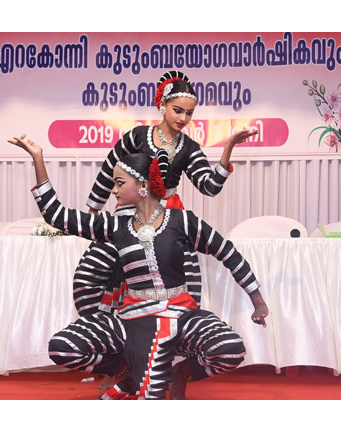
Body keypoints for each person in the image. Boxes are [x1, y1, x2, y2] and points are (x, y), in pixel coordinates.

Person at [7, 133, 269, 399]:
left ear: (143, 185)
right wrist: (38, 159)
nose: (114, 190)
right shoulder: (115, 225)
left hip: (180, 315)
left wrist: (258, 301)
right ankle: (129, 368)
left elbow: (228, 254)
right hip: (132, 321)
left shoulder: (184, 221)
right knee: (63, 347)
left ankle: (180, 372)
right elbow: (57, 216)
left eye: (119, 183)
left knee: (230, 348)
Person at [76, 71, 258, 388]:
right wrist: (92, 212)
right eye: (179, 110)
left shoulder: (189, 147)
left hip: (166, 219)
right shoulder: (136, 137)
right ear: (162, 105)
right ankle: (117, 360)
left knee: (182, 288)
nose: (184, 118)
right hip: (127, 216)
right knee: (99, 276)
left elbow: (210, 186)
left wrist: (228, 148)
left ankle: (174, 366)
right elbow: (109, 171)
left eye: (189, 113)